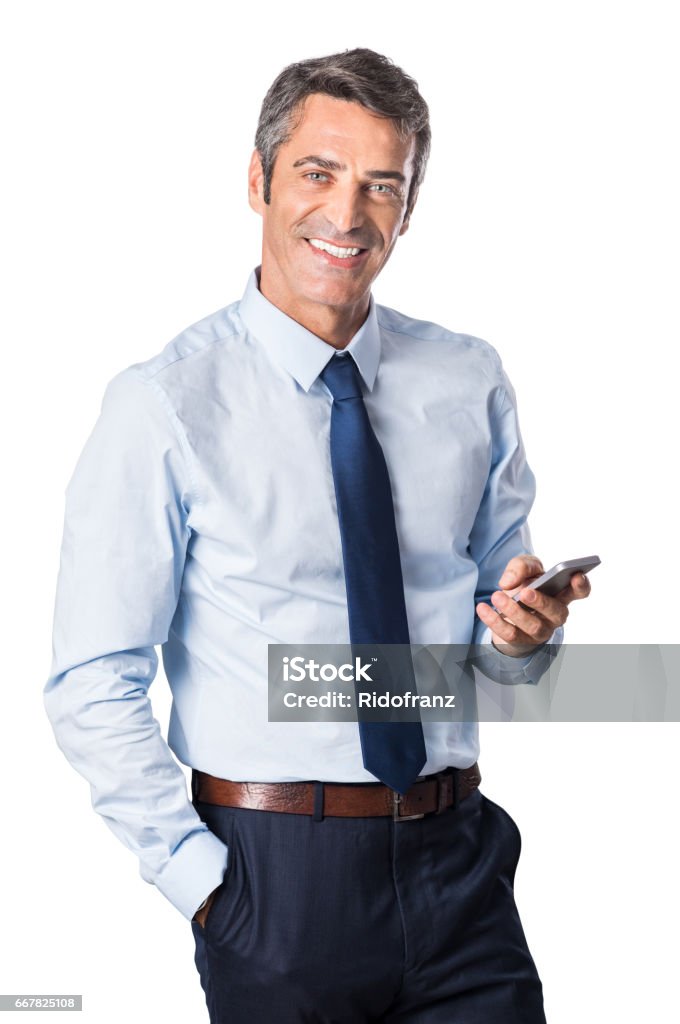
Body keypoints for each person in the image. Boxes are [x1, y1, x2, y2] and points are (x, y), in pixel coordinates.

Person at [44, 47, 591, 1023]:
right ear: (256, 180)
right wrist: (204, 884)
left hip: (457, 863)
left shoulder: (467, 381)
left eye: (381, 185)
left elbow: (499, 663)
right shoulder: (165, 406)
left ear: (408, 208)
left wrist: (521, 633)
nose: (346, 215)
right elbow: (93, 678)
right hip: (275, 878)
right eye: (317, 173)